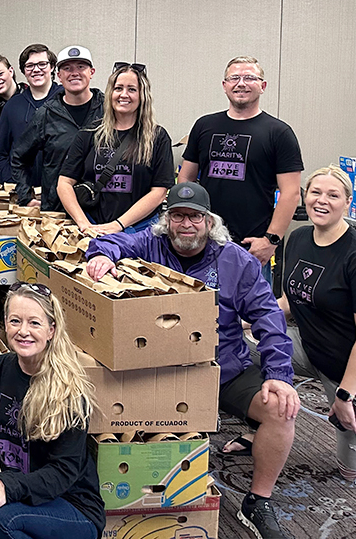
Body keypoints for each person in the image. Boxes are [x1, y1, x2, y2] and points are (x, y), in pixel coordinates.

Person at [84, 182, 297, 539]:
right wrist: (100, 256)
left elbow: (269, 319)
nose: (186, 224)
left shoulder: (236, 261)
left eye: (195, 216)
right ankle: (113, 493)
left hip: (223, 368)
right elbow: (109, 241)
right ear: (166, 221)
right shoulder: (149, 244)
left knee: (280, 407)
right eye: (178, 216)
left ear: (210, 222)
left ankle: (258, 500)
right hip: (157, 370)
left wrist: (279, 374)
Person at [0, 284, 104, 539]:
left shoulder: (69, 390)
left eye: (34, 323)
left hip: (73, 507)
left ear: (51, 329)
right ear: (5, 323)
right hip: (24, 501)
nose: (23, 331)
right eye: (15, 321)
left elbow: (63, 472)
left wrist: (6, 486)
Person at [179, 56, 303, 282]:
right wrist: (188, 225)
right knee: (200, 312)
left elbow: (291, 193)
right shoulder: (204, 125)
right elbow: (185, 179)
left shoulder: (279, 133)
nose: (241, 83)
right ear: (224, 85)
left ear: (262, 86)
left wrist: (270, 241)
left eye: (249, 78)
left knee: (252, 314)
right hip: (203, 242)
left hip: (251, 247)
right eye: (234, 78)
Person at [278, 166, 356, 481]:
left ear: (348, 203)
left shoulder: (352, 252)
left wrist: (346, 395)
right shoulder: (296, 239)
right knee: (238, 350)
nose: (322, 201)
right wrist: (236, 321)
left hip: (346, 367)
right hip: (307, 345)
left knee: (349, 473)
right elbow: (287, 302)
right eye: (316, 193)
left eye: (333, 195)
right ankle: (262, 429)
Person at [57, 63, 174, 235]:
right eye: (118, 88)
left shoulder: (157, 137)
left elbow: (159, 192)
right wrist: (83, 223)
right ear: (110, 93)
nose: (124, 94)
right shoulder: (89, 133)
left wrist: (118, 225)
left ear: (143, 96)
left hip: (137, 232)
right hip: (91, 228)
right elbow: (64, 183)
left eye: (132, 89)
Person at [11, 45, 104, 211]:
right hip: (57, 215)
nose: (74, 73)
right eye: (67, 68)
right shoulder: (46, 114)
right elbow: (19, 158)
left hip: (103, 213)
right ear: (59, 76)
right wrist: (25, 196)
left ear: (92, 72)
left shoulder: (108, 111)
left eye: (81, 67)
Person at [0, 44, 62, 185]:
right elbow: (0, 155)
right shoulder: (12, 106)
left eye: (42, 64)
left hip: (62, 193)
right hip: (23, 196)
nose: (36, 70)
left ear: (52, 67)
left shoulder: (66, 99)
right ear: (23, 71)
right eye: (29, 66)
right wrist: (15, 185)